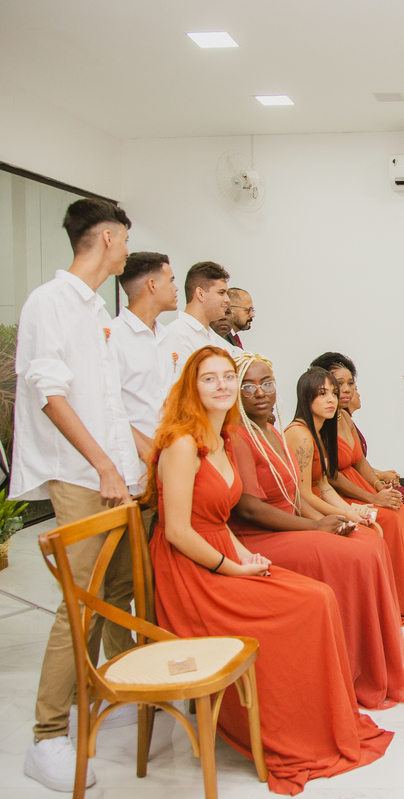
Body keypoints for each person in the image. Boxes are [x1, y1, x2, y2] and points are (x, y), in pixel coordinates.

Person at [146, 347, 395, 794]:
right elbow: (179, 533)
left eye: (228, 377)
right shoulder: (182, 444)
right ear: (191, 387)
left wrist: (246, 556)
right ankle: (292, 728)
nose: (223, 386)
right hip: (191, 572)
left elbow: (221, 521)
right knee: (306, 604)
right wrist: (233, 566)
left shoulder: (222, 439)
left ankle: (319, 719)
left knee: (318, 597)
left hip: (225, 550)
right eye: (211, 379)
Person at [14, 198, 143, 792]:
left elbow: (108, 404)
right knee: (80, 603)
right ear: (109, 238)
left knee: (117, 591)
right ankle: (47, 737)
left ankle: (100, 693)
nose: (126, 251)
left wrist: (136, 461)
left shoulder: (95, 308)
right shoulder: (51, 301)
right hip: (81, 477)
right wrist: (103, 467)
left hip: (113, 476)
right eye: (125, 240)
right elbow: (50, 393)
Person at [229, 352, 404, 709]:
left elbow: (310, 488)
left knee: (368, 541)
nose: (261, 392)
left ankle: (369, 657)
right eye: (249, 386)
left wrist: (349, 515)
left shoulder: (270, 431)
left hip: (293, 519)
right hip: (264, 534)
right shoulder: (249, 435)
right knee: (360, 550)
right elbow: (255, 507)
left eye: (267, 383)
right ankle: (355, 664)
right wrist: (319, 525)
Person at [284, 367, 404, 619]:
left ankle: (389, 605)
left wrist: (353, 510)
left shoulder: (317, 430)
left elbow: (323, 485)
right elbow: (303, 496)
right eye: (322, 394)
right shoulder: (300, 434)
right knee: (371, 534)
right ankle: (373, 612)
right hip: (306, 511)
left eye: (333, 393)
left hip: (322, 502)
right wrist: (345, 515)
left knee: (381, 519)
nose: (332, 399)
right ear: (306, 397)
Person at [311, 351, 404, 573]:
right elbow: (330, 476)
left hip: (357, 484)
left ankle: (401, 572)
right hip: (338, 492)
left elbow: (360, 462)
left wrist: (378, 486)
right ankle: (388, 578)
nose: (346, 389)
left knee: (397, 503)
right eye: (339, 383)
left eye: (350, 383)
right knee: (389, 516)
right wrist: (372, 498)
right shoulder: (321, 422)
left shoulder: (343, 416)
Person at [110, 251, 180, 478]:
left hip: (172, 462)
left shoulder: (169, 338)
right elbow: (108, 407)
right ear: (152, 285)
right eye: (171, 280)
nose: (176, 288)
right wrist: (148, 453)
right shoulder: (113, 337)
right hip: (131, 470)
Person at [166, 261, 237, 359]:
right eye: (221, 293)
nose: (227, 299)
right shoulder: (177, 335)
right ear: (200, 294)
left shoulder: (216, 338)